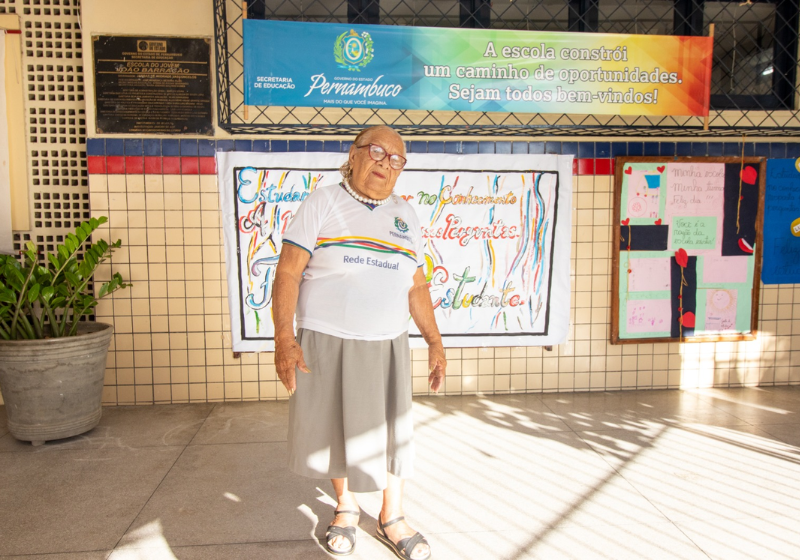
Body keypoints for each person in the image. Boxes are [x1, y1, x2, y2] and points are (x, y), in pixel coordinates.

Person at [273, 125, 446, 560]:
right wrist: (283, 338)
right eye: (376, 152)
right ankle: (346, 507)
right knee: (335, 428)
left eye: (396, 159)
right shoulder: (323, 202)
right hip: (326, 339)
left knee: (391, 433)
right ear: (353, 155)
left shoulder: (406, 215)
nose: (386, 164)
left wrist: (435, 342)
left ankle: (392, 517)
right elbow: (289, 271)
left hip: (387, 343)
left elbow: (416, 286)